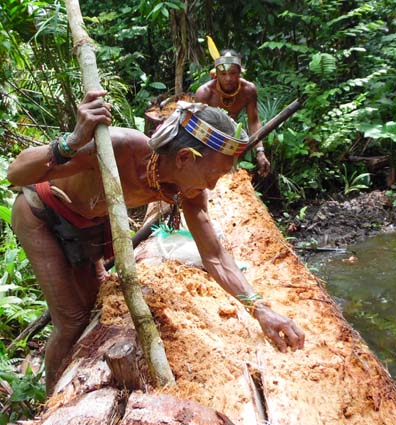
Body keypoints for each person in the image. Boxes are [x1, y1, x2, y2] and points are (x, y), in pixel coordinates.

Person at [7, 91, 305, 395]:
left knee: (97, 307)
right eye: (213, 175)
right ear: (184, 158)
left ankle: (73, 381)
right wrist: (72, 141)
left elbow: (214, 256)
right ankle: (50, 404)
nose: (213, 186)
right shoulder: (118, 147)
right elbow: (15, 172)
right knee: (72, 320)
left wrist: (260, 308)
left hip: (90, 228)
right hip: (41, 213)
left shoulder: (187, 191)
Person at [195, 49, 271, 177]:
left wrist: (260, 151)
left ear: (240, 72)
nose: (228, 78)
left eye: (233, 73)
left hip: (234, 143)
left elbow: (253, 121)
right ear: (216, 74)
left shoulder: (248, 90)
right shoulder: (205, 93)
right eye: (223, 73)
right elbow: (198, 129)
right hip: (208, 144)